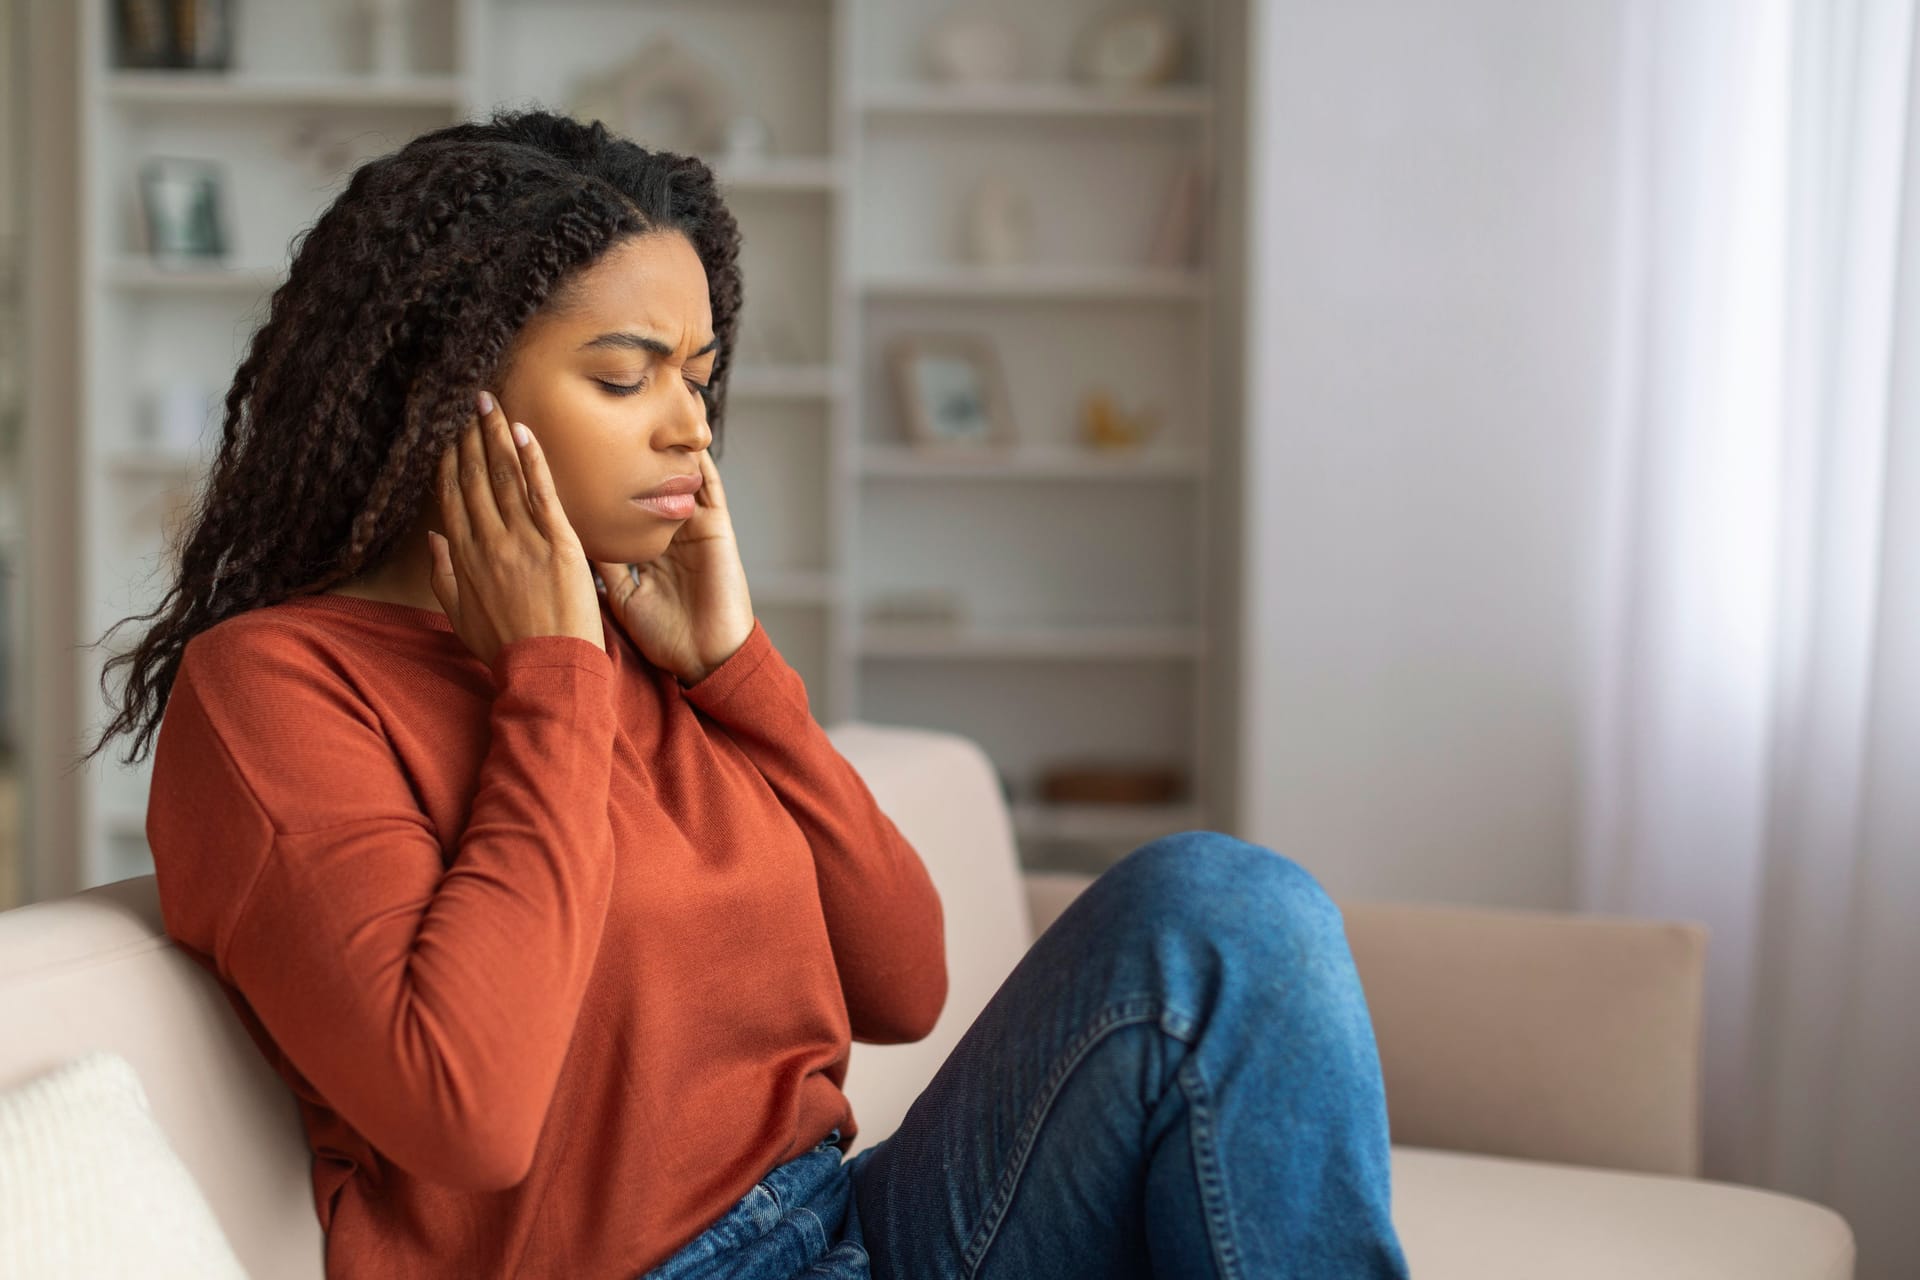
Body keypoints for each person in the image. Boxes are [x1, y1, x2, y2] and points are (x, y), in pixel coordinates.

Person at [80, 109, 1411, 1279]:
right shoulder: (276, 691)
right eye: (625, 374)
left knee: (1226, 912)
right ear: (444, 397)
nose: (690, 426)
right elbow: (466, 1108)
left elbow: (906, 982)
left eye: (701, 377)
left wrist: (739, 672)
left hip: (846, 1225)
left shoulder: (648, 640)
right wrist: (551, 681)